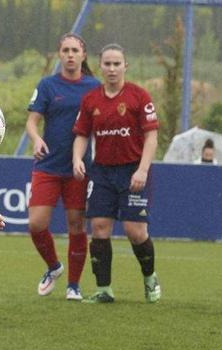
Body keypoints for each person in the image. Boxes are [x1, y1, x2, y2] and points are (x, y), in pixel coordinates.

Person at [72, 43, 162, 304]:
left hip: (133, 170)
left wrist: (143, 170)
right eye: (107, 64)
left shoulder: (139, 96)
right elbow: (81, 134)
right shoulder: (91, 99)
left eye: (116, 64)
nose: (112, 69)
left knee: (135, 231)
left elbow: (152, 137)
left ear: (125, 66)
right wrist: (77, 158)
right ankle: (104, 290)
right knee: (99, 227)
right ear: (100, 66)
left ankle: (150, 277)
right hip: (101, 172)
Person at [25, 33, 100, 301]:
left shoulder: (95, 87)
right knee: (36, 223)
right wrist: (36, 139)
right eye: (65, 50)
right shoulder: (47, 85)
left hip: (80, 168)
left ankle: (74, 285)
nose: (70, 55)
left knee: (76, 225)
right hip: (48, 164)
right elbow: (32, 121)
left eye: (75, 50)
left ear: (83, 55)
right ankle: (54, 267)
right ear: (60, 54)